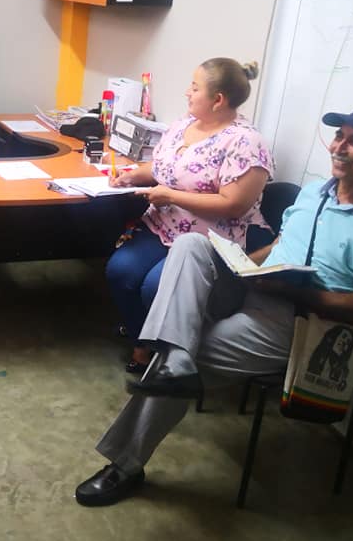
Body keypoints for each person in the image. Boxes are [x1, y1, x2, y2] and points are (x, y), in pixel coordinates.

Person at [75, 106, 353, 507]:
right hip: (258, 286)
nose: (339, 146)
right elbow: (281, 244)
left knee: (178, 356)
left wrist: (292, 292)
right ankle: (176, 360)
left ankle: (126, 464)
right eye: (339, 135)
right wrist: (243, 267)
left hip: (299, 322)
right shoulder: (315, 193)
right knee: (191, 245)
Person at [105, 58, 273, 373]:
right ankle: (142, 337)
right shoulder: (185, 124)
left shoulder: (246, 142)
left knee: (154, 286)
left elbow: (234, 204)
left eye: (195, 88)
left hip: (211, 239)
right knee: (121, 271)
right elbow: (164, 167)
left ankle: (159, 355)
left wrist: (170, 196)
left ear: (218, 99)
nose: (187, 92)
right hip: (164, 225)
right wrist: (132, 175)